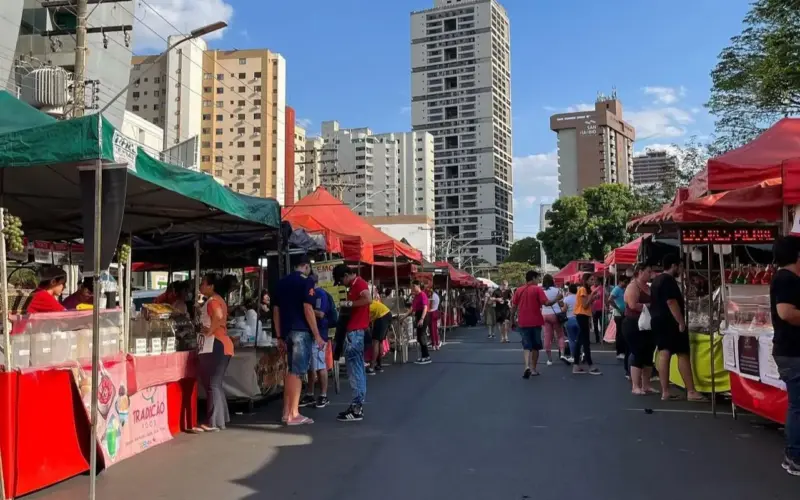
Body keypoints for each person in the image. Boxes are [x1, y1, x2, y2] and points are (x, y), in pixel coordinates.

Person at [274, 255, 324, 426]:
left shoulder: (281, 282)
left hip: (286, 331)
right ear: (305, 266)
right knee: (297, 372)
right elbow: (308, 308)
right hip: (301, 330)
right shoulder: (306, 282)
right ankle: (293, 414)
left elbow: (276, 310)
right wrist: (317, 335)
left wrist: (279, 335)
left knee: (290, 371)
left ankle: (286, 410)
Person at [652, 254, 705, 402]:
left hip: (658, 321)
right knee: (682, 353)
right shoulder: (668, 281)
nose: (681, 269)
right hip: (670, 322)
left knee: (664, 353)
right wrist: (681, 321)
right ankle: (691, 391)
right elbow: (671, 302)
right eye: (680, 266)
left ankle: (665, 391)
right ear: (674, 266)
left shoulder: (656, 280)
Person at [770, 236, 800, 475]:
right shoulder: (786, 279)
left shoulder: (786, 279)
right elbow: (786, 312)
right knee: (798, 406)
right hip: (793, 351)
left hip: (790, 350)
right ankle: (794, 455)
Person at [332, 264, 372, 422]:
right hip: (355, 332)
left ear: (346, 275)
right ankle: (357, 405)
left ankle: (357, 406)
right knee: (357, 369)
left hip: (355, 333)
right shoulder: (356, 285)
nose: (342, 284)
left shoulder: (359, 284)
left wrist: (348, 304)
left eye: (341, 280)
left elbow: (368, 299)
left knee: (355, 370)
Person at [197, 273, 235, 431]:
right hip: (223, 344)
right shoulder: (219, 300)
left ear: (211, 286)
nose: (201, 286)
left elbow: (218, 316)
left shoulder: (213, 301)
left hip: (216, 343)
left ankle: (214, 421)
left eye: (203, 283)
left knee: (213, 384)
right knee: (216, 384)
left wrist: (209, 332)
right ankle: (220, 419)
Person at [511, 270, 562, 378]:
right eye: (537, 278)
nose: (538, 280)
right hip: (535, 321)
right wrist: (557, 298)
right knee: (535, 346)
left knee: (526, 345)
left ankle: (526, 366)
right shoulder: (537, 289)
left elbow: (514, 307)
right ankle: (533, 369)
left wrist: (511, 319)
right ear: (533, 278)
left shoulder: (519, 290)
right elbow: (547, 303)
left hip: (523, 322)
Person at [300, 273, 336, 409]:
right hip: (310, 332)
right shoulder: (310, 294)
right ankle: (310, 393)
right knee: (311, 365)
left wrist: (306, 309)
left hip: (320, 333)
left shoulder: (320, 294)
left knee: (320, 364)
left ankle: (323, 395)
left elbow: (320, 313)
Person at [623, 264, 655, 394]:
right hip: (633, 323)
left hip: (647, 324)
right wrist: (650, 305)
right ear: (640, 272)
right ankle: (635, 385)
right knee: (638, 352)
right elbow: (632, 305)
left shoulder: (647, 287)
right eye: (648, 272)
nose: (650, 274)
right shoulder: (633, 286)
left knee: (648, 353)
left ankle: (646, 385)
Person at [573, 273, 602, 375]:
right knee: (584, 341)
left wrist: (593, 297)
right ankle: (589, 365)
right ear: (586, 280)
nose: (593, 282)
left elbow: (586, 303)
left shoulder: (585, 290)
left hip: (584, 316)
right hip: (582, 315)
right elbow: (584, 305)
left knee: (581, 341)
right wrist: (593, 295)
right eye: (591, 280)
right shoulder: (582, 289)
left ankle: (577, 364)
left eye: (593, 280)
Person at [540, 274, 567, 365]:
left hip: (544, 314)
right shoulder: (556, 290)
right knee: (560, 335)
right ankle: (562, 354)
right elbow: (562, 304)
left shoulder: (541, 291)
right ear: (552, 281)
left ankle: (549, 359)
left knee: (547, 336)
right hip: (556, 314)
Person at [608, 276, 630, 374]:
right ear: (620, 281)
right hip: (619, 314)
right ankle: (619, 351)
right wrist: (617, 308)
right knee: (620, 333)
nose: (625, 284)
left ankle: (622, 350)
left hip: (623, 313)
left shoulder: (622, 289)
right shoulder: (616, 289)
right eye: (624, 282)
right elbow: (610, 299)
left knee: (623, 332)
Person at [367, 294, 392, 375]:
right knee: (380, 341)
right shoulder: (369, 302)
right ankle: (379, 365)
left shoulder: (365, 306)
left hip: (382, 317)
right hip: (387, 314)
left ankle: (371, 367)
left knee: (376, 341)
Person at [409, 280, 432, 364]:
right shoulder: (416, 296)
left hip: (424, 316)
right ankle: (424, 355)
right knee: (419, 336)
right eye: (412, 286)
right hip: (418, 315)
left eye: (414, 286)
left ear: (418, 286)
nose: (412, 288)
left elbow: (425, 307)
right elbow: (412, 308)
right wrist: (404, 317)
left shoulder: (422, 295)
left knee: (422, 335)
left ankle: (426, 356)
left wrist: (422, 319)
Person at [563, 284, 579, 362]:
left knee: (571, 339)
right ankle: (581, 354)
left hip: (570, 319)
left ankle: (573, 356)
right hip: (579, 319)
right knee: (579, 338)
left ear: (569, 290)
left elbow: (564, 310)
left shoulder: (566, 299)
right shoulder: (579, 298)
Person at [591, 277, 605, 343]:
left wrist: (606, 305)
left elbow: (604, 296)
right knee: (595, 324)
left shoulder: (602, 288)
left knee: (603, 324)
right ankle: (597, 338)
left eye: (596, 281)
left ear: (599, 282)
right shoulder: (591, 288)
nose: (595, 282)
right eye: (594, 281)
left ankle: (604, 338)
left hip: (601, 308)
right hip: (594, 309)